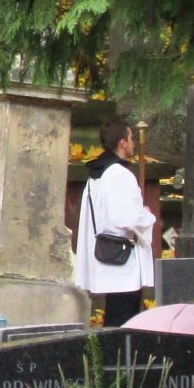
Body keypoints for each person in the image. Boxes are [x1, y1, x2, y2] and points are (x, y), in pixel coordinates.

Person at [76, 120, 156, 327]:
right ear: (122, 143)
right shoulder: (119, 174)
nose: (134, 143)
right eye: (131, 138)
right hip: (123, 259)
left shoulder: (99, 174)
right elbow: (126, 218)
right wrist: (147, 216)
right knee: (123, 317)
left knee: (116, 313)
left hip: (109, 252)